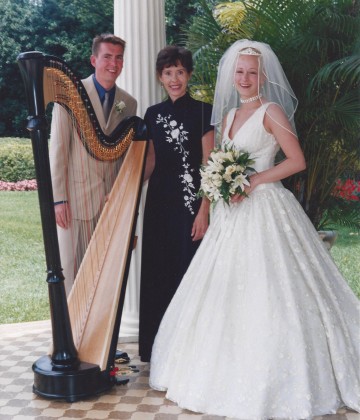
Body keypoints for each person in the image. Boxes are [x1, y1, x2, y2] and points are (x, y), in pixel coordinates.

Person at [149, 40, 360, 418]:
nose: (245, 78)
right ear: (233, 75)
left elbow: (297, 161)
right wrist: (220, 189)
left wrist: (254, 180)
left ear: (263, 76)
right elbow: (215, 161)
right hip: (231, 216)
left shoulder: (272, 111)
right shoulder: (227, 116)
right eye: (240, 71)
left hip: (266, 209)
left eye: (252, 72)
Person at [139, 46, 214, 363]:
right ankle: (159, 350)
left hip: (189, 206)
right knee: (160, 272)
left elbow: (210, 165)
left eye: (180, 72)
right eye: (168, 73)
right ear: (160, 77)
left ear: (189, 75)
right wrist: (122, 190)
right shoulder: (152, 114)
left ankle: (188, 353)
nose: (174, 79)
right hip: (159, 205)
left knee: (188, 271)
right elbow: (151, 162)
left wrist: (204, 211)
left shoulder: (203, 112)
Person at [49, 33, 137, 297]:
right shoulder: (69, 94)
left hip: (109, 202)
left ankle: (93, 335)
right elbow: (58, 150)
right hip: (74, 201)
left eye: (119, 58)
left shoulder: (128, 103)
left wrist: (122, 200)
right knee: (67, 270)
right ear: (93, 59)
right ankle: (65, 336)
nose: (113, 63)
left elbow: (125, 156)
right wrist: (59, 199)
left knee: (102, 275)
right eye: (107, 56)